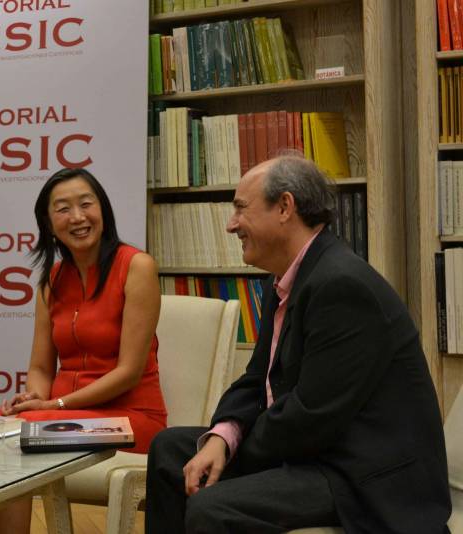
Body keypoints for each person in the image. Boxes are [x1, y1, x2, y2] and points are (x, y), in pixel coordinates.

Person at [145, 155, 451, 533]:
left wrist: (236, 449)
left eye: (240, 209)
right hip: (313, 452)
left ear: (285, 207)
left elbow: (312, 416)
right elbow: (256, 380)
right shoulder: (288, 280)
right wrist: (222, 439)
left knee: (212, 507)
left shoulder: (342, 286)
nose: (231, 225)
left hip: (362, 475)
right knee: (169, 452)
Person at [0, 167, 167, 534]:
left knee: (18, 438)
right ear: (48, 224)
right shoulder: (51, 282)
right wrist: (35, 396)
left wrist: (53, 407)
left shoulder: (136, 266)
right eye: (63, 209)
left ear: (103, 210)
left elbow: (128, 371)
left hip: (130, 417)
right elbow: (41, 367)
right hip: (65, 418)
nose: (77, 217)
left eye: (86, 204)